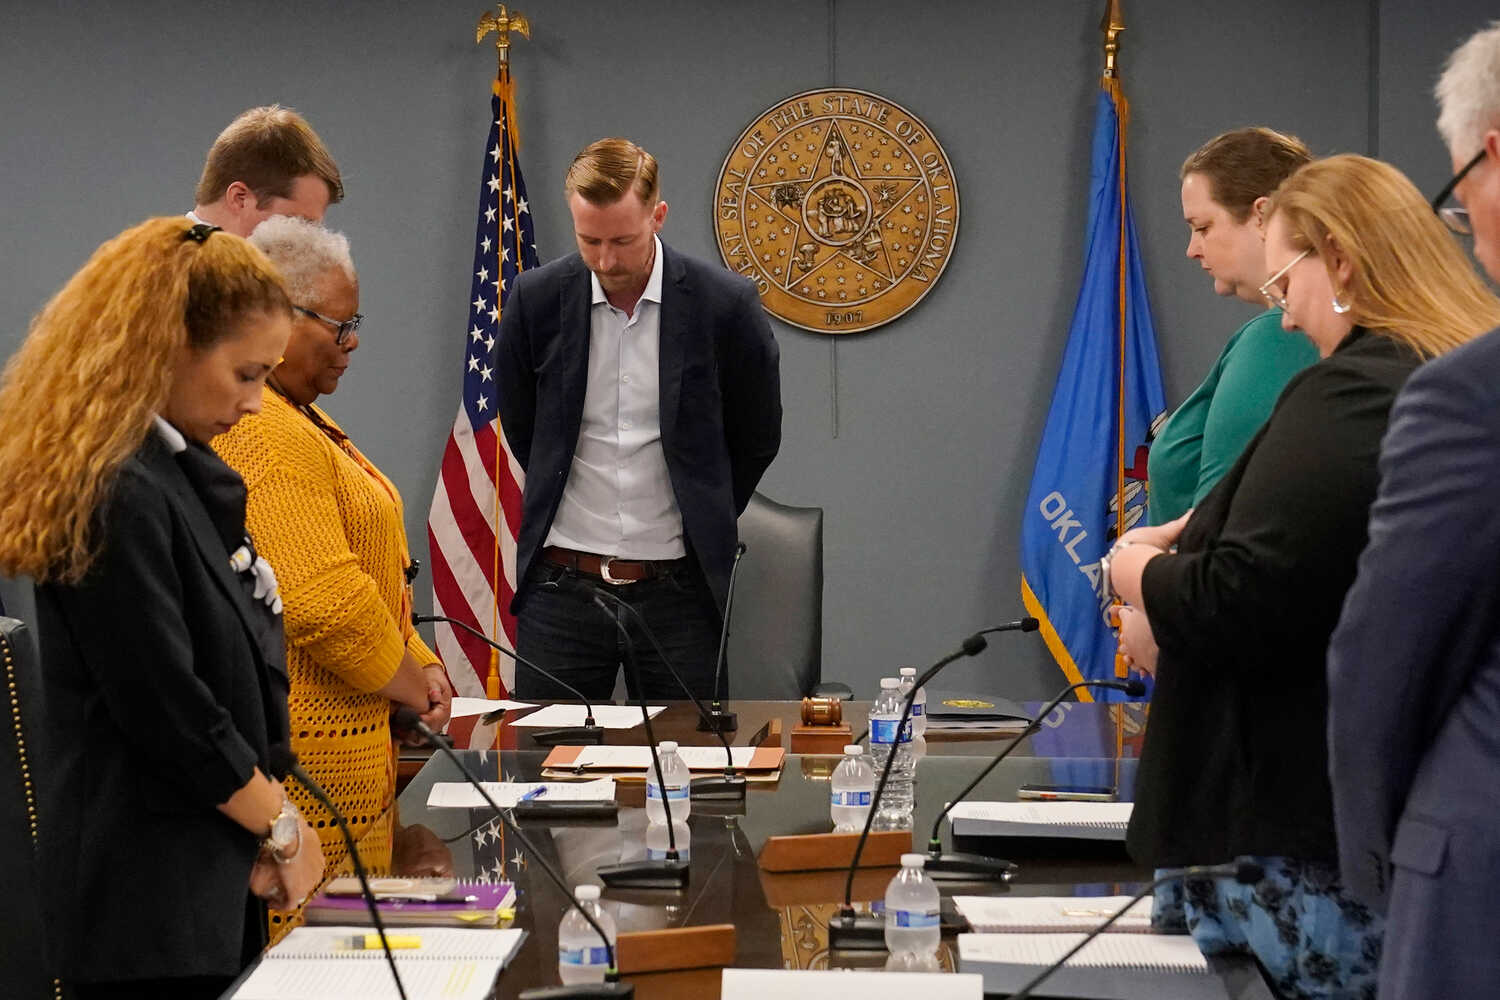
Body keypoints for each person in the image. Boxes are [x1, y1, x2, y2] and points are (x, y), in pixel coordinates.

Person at [1106, 155, 1500, 1000]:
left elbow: (1250, 597)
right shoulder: (1439, 379)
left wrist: (1139, 576)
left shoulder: (1357, 388)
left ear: (1344, 262)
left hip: (1297, 846)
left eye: (1286, 285)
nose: (1282, 323)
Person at [0, 217, 326, 997]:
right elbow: (169, 708)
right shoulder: (113, 486)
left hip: (201, 884)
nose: (255, 404)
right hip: (141, 912)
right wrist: (280, 828)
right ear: (167, 347)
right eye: (246, 374)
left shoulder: (177, 472)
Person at [213, 217, 454, 937]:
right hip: (308, 777)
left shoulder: (302, 420)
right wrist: (414, 684)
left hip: (355, 771)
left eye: (357, 325)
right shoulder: (262, 431)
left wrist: (423, 664)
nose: (353, 345)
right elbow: (324, 602)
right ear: (278, 315)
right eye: (339, 326)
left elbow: (376, 584)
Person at [1326, 22, 1500, 998]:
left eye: (1458, 189)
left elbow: (1388, 660)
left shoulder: (1470, 394)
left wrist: (1375, 863)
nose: (1468, 224)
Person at [495, 138, 782, 700]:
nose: (606, 260)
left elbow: (757, 437)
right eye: (589, 240)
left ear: (658, 215)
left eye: (623, 240)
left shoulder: (724, 305)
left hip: (679, 593)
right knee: (546, 771)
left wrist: (703, 505)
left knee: (688, 772)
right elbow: (525, 427)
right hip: (563, 589)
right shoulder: (535, 300)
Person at [1146, 127, 1318, 525]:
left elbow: (1222, 533)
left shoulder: (1279, 336)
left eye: (1203, 227)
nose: (1192, 249)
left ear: (1262, 216)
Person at [189, 105, 342, 236]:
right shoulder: (170, 267)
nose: (309, 244)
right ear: (239, 198)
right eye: (298, 223)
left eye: (314, 229)